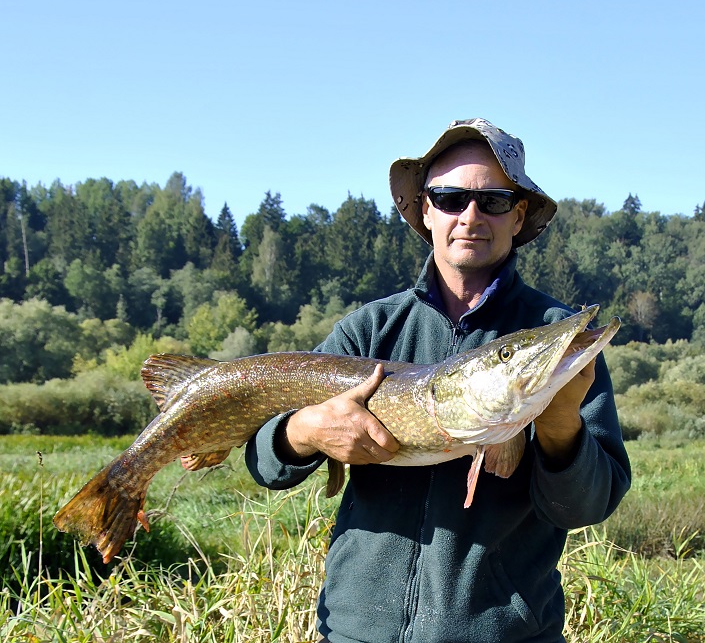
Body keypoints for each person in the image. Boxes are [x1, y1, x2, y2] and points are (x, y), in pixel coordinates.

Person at [246, 118, 631, 642]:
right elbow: (265, 464)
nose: (470, 217)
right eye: (449, 198)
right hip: (358, 631)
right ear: (426, 210)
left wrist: (562, 427)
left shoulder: (552, 341)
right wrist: (305, 432)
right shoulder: (370, 331)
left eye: (493, 201)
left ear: (518, 216)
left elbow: (585, 507)